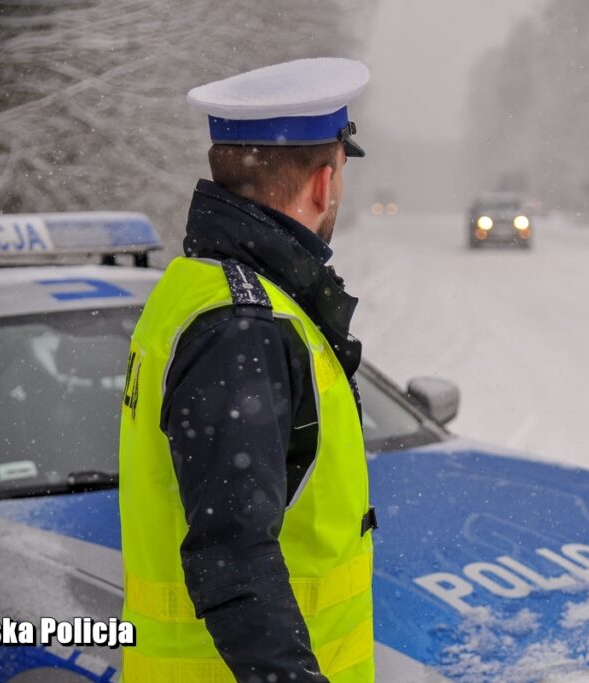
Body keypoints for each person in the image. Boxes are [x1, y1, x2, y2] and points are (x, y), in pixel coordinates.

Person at [119, 58, 376, 683]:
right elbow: (231, 553)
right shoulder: (245, 325)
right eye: (341, 171)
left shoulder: (206, 289)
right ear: (323, 182)